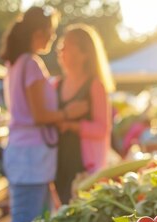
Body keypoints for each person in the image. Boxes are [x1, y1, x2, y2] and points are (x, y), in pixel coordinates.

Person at [0, 6, 87, 222]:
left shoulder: (18, 63)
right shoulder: (30, 64)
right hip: (30, 157)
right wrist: (68, 114)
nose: (53, 37)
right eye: (51, 30)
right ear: (40, 32)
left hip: (28, 155)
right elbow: (39, 114)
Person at [53, 24, 115, 204]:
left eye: (69, 44)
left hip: (84, 165)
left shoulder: (95, 86)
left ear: (84, 53)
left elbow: (102, 129)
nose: (62, 48)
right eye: (62, 44)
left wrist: (72, 125)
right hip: (58, 161)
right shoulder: (56, 84)